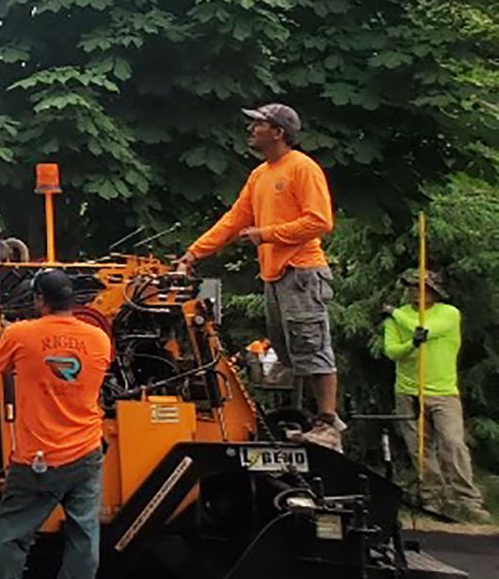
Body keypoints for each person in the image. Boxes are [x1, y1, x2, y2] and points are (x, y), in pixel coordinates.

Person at [176, 103, 341, 450]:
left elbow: (320, 222)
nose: (250, 129)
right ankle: (309, 422)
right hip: (276, 275)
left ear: (278, 132)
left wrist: (266, 234)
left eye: (258, 124)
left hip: (302, 271)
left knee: (312, 345)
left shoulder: (302, 168)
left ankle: (328, 424)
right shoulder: (260, 174)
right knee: (288, 349)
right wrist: (194, 253)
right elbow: (234, 219)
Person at [0, 268, 112, 579]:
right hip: (86, 451)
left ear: (39, 300)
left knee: (13, 531)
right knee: (84, 535)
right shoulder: (99, 339)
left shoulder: (21, 334)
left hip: (38, 456)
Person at [382, 271, 492, 524]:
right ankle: (432, 497)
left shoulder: (448, 313)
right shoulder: (398, 317)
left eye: (419, 288)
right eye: (410, 287)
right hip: (408, 390)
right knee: (420, 448)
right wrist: (411, 344)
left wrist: (395, 314)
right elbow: (392, 351)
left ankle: (466, 499)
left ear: (433, 292)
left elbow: (426, 330)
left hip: (443, 391)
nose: (413, 292)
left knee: (453, 443)